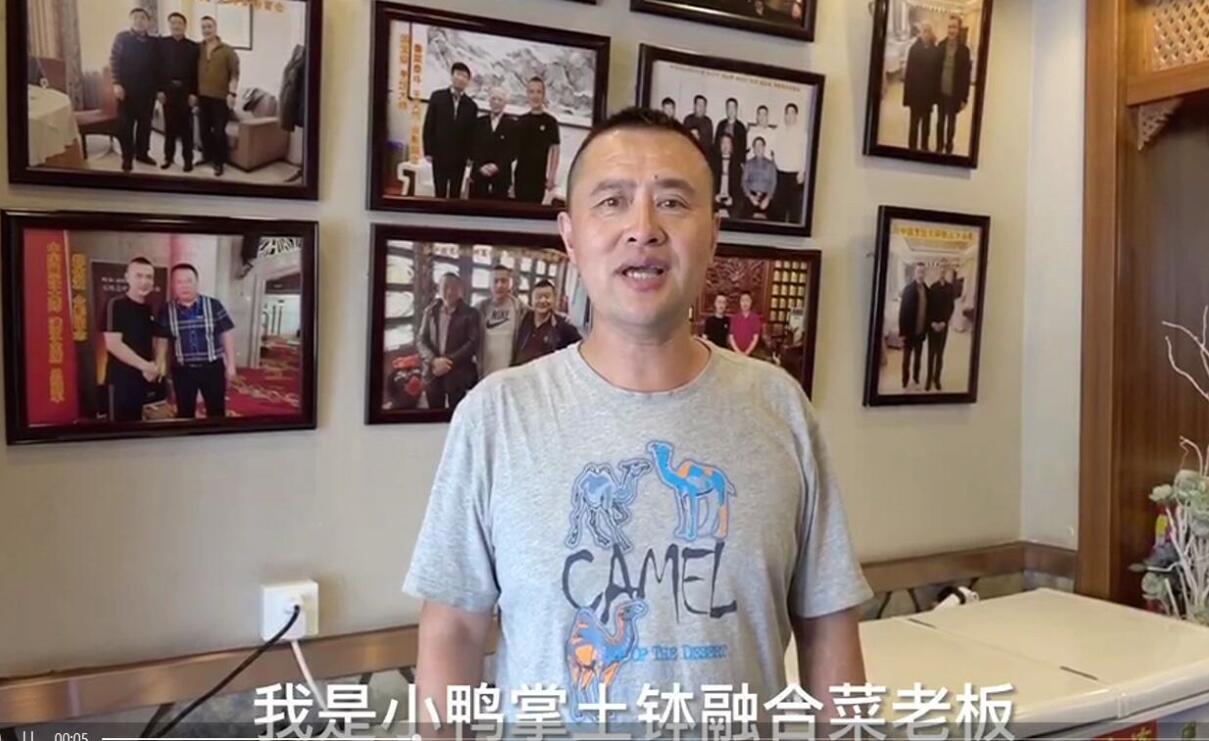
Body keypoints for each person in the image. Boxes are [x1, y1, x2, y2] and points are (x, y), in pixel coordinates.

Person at [403, 107, 871, 729]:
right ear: (570, 236)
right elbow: (454, 633)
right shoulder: (497, 415)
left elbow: (827, 626)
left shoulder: (780, 408)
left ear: (713, 234)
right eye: (612, 202)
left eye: (673, 202)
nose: (643, 229)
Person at [154, 264, 236, 419]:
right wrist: (158, 364)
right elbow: (162, 339)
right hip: (183, 370)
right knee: (185, 413)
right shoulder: (166, 310)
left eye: (189, 280)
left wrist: (231, 364)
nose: (184, 285)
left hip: (212, 368)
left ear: (197, 282)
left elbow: (226, 333)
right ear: (173, 285)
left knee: (217, 411)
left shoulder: (213, 305)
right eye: (179, 282)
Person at [101, 258, 159, 422]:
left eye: (149, 277)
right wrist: (146, 366)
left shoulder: (148, 308)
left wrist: (153, 367)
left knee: (138, 426)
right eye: (138, 276)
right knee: (119, 430)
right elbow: (113, 344)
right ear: (127, 277)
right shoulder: (115, 304)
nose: (144, 281)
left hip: (142, 380)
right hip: (120, 381)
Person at [416, 272, 480, 411]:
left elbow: (473, 342)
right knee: (434, 412)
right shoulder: (430, 311)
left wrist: (447, 362)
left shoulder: (471, 313)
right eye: (445, 287)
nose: (449, 291)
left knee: (457, 412)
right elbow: (421, 339)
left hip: (457, 373)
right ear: (438, 289)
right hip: (433, 371)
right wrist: (434, 361)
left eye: (454, 287)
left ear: (460, 290)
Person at [109, 8, 159, 172]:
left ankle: (142, 154)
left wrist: (158, 89)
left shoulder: (154, 42)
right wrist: (116, 84)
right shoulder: (122, 38)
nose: (139, 20)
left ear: (148, 22)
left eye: (143, 18)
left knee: (145, 125)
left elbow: (159, 66)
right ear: (131, 20)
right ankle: (127, 158)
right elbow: (114, 61)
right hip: (126, 90)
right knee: (126, 126)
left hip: (148, 91)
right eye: (136, 17)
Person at [423, 62, 479, 198]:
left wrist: (470, 156)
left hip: (459, 157)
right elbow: (429, 124)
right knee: (439, 191)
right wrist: (428, 150)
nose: (461, 79)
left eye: (465, 76)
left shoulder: (472, 106)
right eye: (458, 74)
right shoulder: (437, 97)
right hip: (439, 153)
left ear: (468, 81)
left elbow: (472, 134)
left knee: (455, 192)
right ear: (452, 76)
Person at [196, 16, 240, 177]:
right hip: (202, 97)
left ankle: (219, 162)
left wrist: (232, 94)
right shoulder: (197, 48)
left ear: (215, 28)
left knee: (219, 132)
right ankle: (206, 156)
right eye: (203, 27)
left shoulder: (228, 51)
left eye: (209, 26)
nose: (206, 30)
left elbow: (234, 75)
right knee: (203, 130)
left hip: (221, 99)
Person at [158, 12, 199, 172]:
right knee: (169, 128)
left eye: (179, 23)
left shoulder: (193, 47)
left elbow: (196, 73)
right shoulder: (161, 44)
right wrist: (159, 91)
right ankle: (168, 158)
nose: (176, 26)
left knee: (186, 130)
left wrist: (194, 94)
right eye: (173, 23)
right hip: (167, 92)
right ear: (169, 25)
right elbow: (156, 69)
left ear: (185, 25)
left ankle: (188, 160)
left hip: (185, 93)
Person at [512, 279, 582, 366]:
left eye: (547, 296)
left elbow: (579, 347)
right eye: (538, 297)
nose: (542, 300)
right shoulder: (524, 318)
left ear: (554, 298)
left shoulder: (562, 326)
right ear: (532, 299)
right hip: (521, 371)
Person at [513, 77, 560, 204]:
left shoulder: (550, 122)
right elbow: (512, 151)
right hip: (520, 177)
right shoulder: (520, 121)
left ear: (543, 95)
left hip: (539, 178)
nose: (535, 96)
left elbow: (555, 149)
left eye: (539, 92)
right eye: (532, 92)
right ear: (527, 95)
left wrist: (551, 176)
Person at [474, 264, 528, 377]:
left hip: (509, 373)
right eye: (495, 281)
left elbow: (539, 313)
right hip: (484, 373)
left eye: (504, 281)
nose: (499, 285)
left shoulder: (519, 308)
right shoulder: (479, 308)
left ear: (509, 283)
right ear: (490, 284)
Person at [468, 87, 516, 200]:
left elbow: (513, 151)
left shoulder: (512, 125)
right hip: (479, 175)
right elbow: (471, 146)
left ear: (505, 103)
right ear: (489, 101)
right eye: (493, 99)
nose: (496, 102)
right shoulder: (478, 122)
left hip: (501, 178)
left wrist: (497, 166)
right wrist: (481, 166)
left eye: (500, 99)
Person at [935, 15, 973, 156]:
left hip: (954, 94)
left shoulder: (964, 50)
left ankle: (949, 147)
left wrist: (964, 98)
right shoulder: (940, 46)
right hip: (940, 92)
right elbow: (934, 71)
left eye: (954, 27)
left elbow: (966, 77)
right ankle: (939, 147)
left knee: (951, 123)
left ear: (959, 29)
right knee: (940, 121)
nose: (951, 30)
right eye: (949, 26)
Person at [902, 22, 940, 152]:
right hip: (916, 94)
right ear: (920, 33)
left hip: (928, 95)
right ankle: (912, 147)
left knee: (926, 124)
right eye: (924, 31)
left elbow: (937, 75)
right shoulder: (914, 49)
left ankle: (924, 146)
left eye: (928, 31)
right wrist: (907, 97)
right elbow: (909, 74)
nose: (926, 34)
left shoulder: (935, 51)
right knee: (914, 123)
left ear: (931, 33)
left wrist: (935, 96)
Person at [771, 103, 807, 223]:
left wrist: (802, 172)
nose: (789, 116)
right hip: (781, 174)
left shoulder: (802, 134)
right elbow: (773, 151)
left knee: (794, 209)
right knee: (779, 208)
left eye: (792, 113)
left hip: (794, 175)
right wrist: (775, 165)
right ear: (785, 115)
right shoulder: (779, 132)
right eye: (787, 113)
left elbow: (804, 154)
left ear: (796, 115)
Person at [897, 262, 929, 390]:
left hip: (920, 332)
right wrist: (902, 332)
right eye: (918, 271)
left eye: (923, 271)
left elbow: (928, 311)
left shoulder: (927, 290)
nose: (921, 274)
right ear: (915, 273)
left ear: (925, 273)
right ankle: (905, 381)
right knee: (906, 359)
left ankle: (916, 378)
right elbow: (903, 312)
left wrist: (926, 330)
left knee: (918, 358)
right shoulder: (908, 289)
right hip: (909, 333)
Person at [926, 268, 957, 391]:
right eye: (940, 270)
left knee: (940, 354)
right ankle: (929, 379)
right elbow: (928, 307)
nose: (942, 272)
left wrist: (944, 322)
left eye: (944, 270)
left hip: (944, 326)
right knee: (931, 354)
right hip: (932, 326)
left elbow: (951, 307)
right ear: (937, 272)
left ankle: (937, 379)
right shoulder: (932, 287)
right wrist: (932, 323)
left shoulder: (950, 288)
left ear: (947, 272)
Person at [741, 136, 776, 219]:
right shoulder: (748, 164)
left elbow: (773, 183)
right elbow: (744, 182)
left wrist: (767, 198)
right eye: (756, 146)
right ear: (753, 149)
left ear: (764, 148)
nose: (758, 148)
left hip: (766, 196)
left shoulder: (771, 165)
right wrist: (750, 197)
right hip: (751, 196)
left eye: (760, 146)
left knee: (773, 217)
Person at [710, 133, 744, 216]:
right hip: (716, 199)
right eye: (723, 143)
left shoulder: (737, 165)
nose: (725, 146)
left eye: (728, 143)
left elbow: (738, 187)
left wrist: (732, 199)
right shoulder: (713, 163)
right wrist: (714, 196)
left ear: (731, 146)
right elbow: (709, 183)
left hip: (731, 200)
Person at [714, 97, 748, 165]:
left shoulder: (741, 127)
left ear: (736, 109)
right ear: (726, 109)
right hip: (721, 161)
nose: (731, 110)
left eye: (733, 107)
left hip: (736, 162)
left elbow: (743, 148)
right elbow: (716, 144)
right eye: (729, 107)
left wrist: (741, 162)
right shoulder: (721, 125)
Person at [728, 291, 763, 356]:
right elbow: (731, 337)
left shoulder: (755, 318)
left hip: (751, 353)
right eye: (742, 300)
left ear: (751, 302)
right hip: (736, 353)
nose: (745, 303)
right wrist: (738, 352)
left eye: (747, 300)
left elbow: (755, 338)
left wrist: (746, 353)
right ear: (740, 302)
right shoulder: (734, 318)